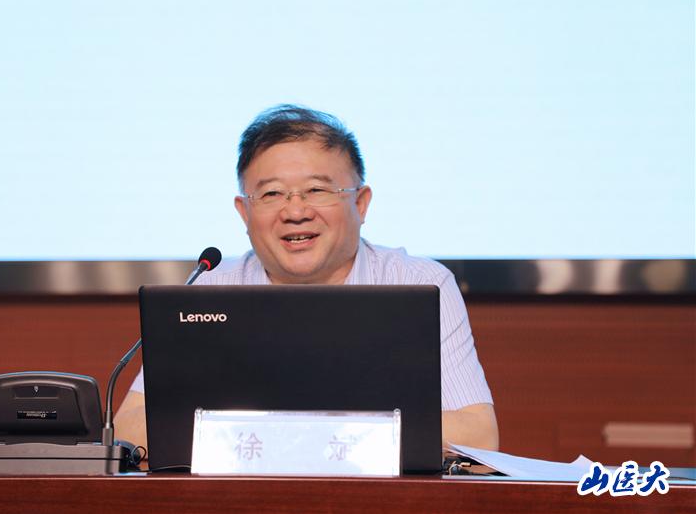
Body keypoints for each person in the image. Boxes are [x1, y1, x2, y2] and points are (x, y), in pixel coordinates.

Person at [115, 105, 498, 451]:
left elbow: (479, 436)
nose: (295, 212)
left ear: (361, 203)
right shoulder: (209, 288)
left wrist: (284, 424)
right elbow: (128, 429)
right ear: (244, 213)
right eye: (272, 194)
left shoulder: (420, 283)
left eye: (316, 190)